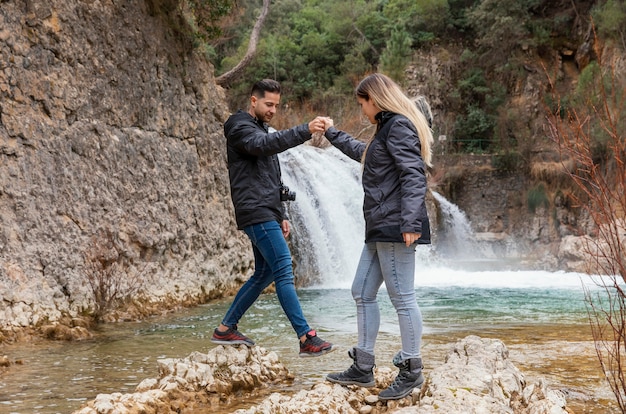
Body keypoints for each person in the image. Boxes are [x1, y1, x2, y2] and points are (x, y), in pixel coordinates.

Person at [323, 73, 433, 399]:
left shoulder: (398, 126)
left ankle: (412, 369)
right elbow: (363, 152)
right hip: (380, 227)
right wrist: (331, 133)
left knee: (402, 297)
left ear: (375, 99)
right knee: (361, 290)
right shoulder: (386, 129)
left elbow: (413, 173)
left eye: (362, 104)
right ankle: (363, 366)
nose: (362, 111)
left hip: (397, 225)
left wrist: (411, 222)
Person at [211, 79, 333, 357]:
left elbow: (272, 179)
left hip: (267, 211)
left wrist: (283, 213)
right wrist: (304, 130)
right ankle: (305, 337)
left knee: (265, 272)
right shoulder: (239, 127)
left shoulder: (261, 129)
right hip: (255, 211)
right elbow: (264, 145)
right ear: (253, 100)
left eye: (276, 106)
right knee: (283, 267)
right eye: (268, 104)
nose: (273, 110)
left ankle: (225, 329)